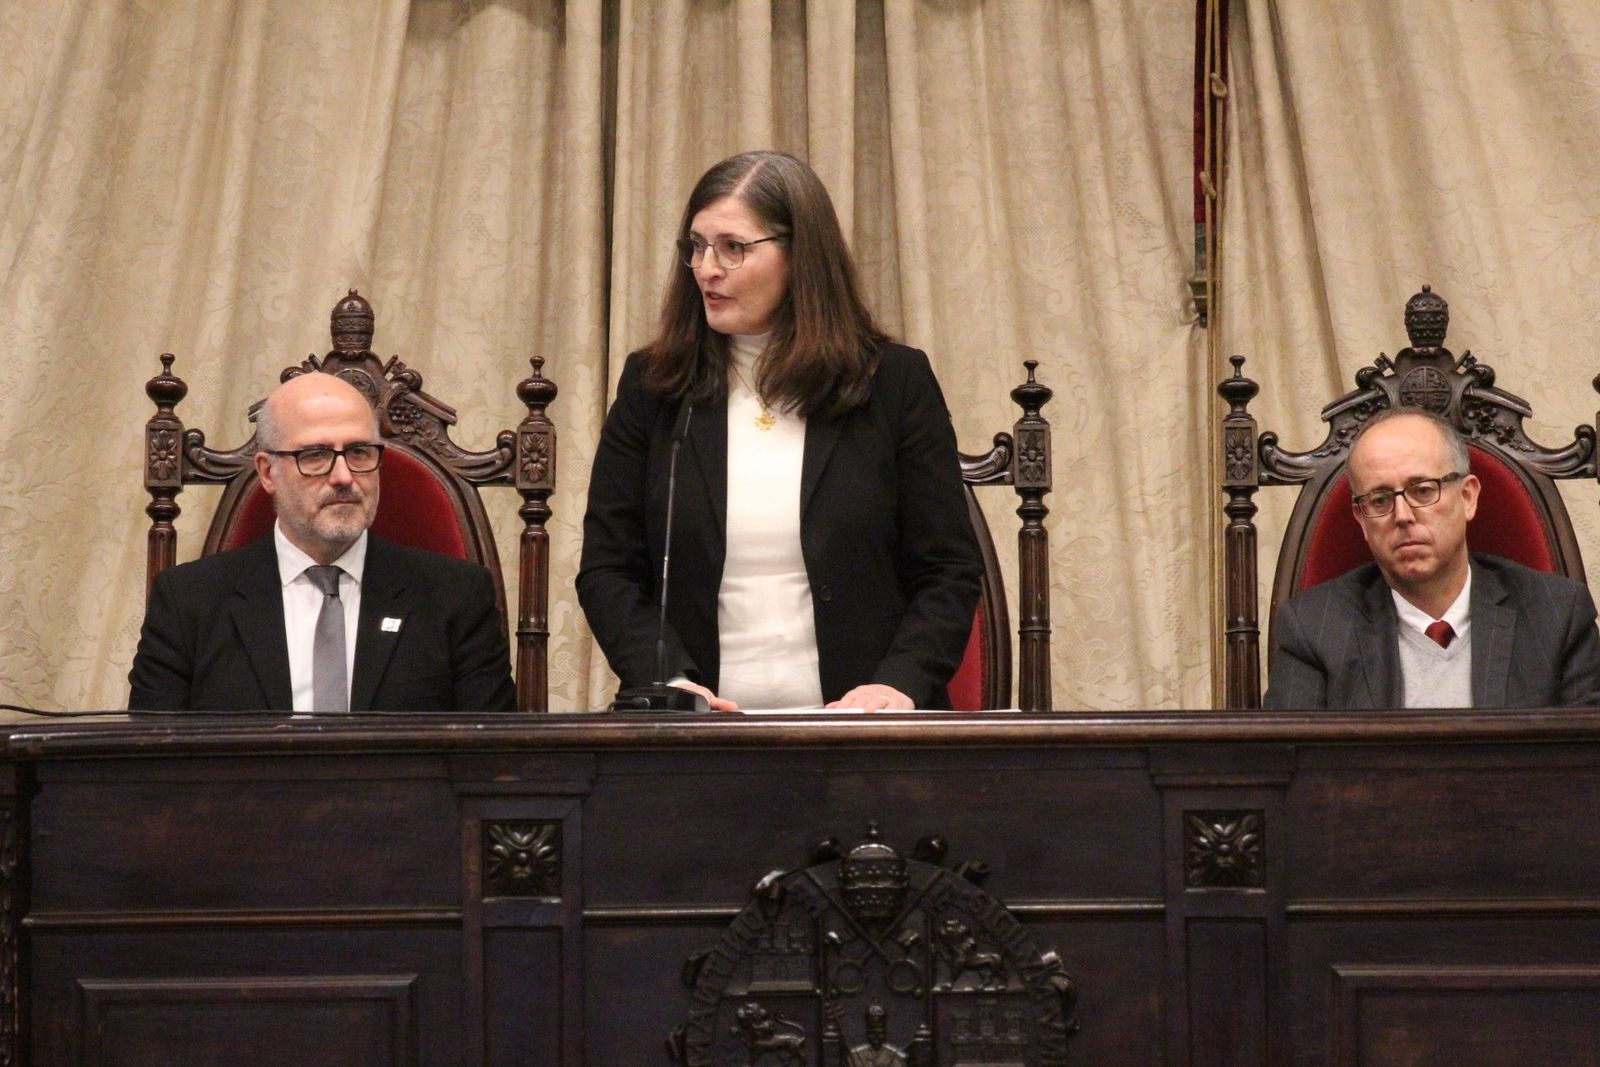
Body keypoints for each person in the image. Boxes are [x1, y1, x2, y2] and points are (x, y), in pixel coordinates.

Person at [578, 150, 982, 711]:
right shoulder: (656, 388)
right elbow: (608, 568)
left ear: (802, 256)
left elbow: (948, 570)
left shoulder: (892, 382)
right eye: (695, 246)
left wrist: (898, 684)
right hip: (698, 739)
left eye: (733, 248)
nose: (706, 268)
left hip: (861, 733)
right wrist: (666, 680)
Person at [128, 372, 516, 712]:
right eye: (315, 455)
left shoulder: (456, 597)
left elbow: (489, 769)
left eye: (360, 451)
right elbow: (154, 771)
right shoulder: (188, 602)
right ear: (267, 472)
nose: (344, 476)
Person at [1264, 406, 1600, 709]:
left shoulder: (1556, 614)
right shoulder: (1312, 628)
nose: (1402, 515)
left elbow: (1583, 764)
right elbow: (1289, 769)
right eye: (1380, 500)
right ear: (1361, 519)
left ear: (1467, 497)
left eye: (1423, 490)